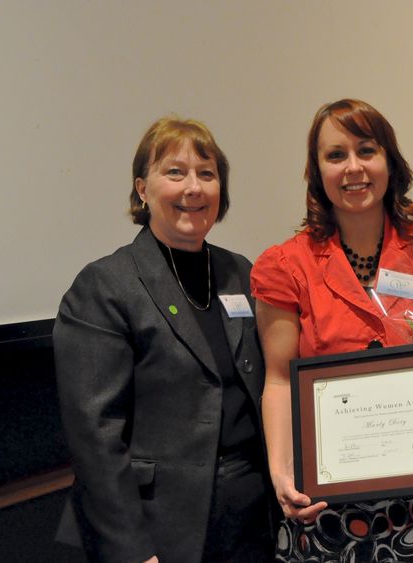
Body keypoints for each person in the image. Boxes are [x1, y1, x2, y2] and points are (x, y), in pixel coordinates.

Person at [251, 98, 413, 562]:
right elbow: (279, 380)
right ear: (317, 171)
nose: (353, 167)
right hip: (329, 508)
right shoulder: (285, 266)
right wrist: (281, 473)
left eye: (366, 150)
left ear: (390, 162)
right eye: (335, 155)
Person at [53, 117, 275, 562]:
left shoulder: (241, 273)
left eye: (207, 174)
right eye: (175, 172)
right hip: (162, 528)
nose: (193, 187)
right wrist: (134, 551)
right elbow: (96, 438)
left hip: (253, 520)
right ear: (142, 188)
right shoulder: (105, 286)